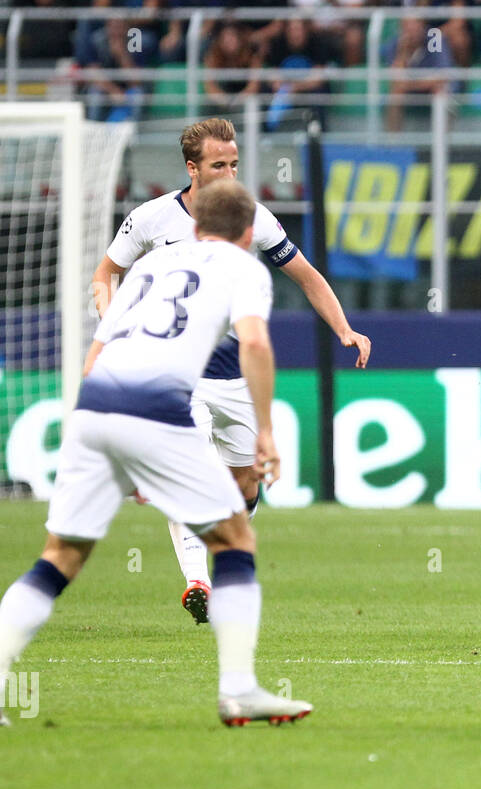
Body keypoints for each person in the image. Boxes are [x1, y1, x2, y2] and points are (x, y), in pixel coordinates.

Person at [0, 180, 312, 728]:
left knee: (62, 554)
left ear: (194, 227)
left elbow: (98, 349)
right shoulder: (245, 270)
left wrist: (110, 442)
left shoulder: (147, 267)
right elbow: (257, 346)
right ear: (247, 234)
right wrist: (265, 431)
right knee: (237, 536)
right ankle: (239, 690)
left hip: (96, 404)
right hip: (157, 407)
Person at [90, 117, 372, 625]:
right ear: (192, 168)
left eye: (235, 163)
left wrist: (344, 327)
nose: (229, 173)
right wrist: (115, 322)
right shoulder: (151, 219)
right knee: (187, 469)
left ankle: (224, 559)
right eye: (219, 165)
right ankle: (197, 580)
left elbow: (305, 274)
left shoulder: (254, 218)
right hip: (180, 374)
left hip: (236, 376)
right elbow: (107, 273)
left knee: (244, 484)